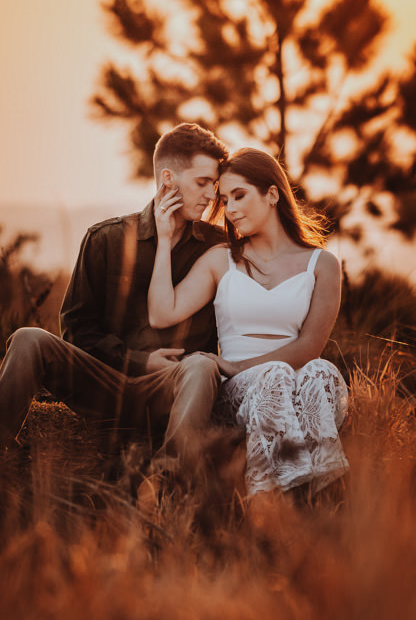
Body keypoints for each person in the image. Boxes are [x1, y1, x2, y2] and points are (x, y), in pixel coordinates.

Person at [0, 123, 229, 469]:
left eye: (214, 186)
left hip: (175, 390)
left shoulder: (218, 248)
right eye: (202, 183)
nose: (210, 195)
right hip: (103, 384)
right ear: (168, 179)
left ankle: (170, 475)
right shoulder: (105, 239)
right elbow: (77, 330)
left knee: (201, 365)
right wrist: (141, 360)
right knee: (28, 338)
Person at [147, 147, 349, 497]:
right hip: (237, 392)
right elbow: (162, 312)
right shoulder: (221, 260)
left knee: (322, 370)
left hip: (292, 378)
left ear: (272, 194)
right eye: (225, 200)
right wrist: (163, 240)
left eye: (239, 195)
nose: (231, 209)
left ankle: (326, 494)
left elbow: (309, 346)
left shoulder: (323, 264)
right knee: (277, 374)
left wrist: (234, 362)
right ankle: (267, 501)